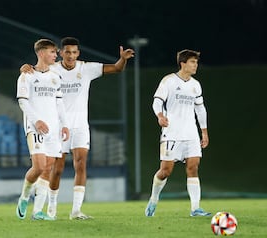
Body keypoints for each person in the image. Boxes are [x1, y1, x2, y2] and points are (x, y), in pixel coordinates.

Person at [20, 37, 134, 220]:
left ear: (78, 53)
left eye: (74, 52)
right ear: (60, 53)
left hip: (80, 125)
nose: (71, 56)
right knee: (55, 169)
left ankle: (76, 211)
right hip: (58, 125)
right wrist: (26, 67)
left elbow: (117, 68)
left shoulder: (86, 68)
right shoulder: (52, 69)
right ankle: (51, 209)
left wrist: (123, 59)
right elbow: (33, 72)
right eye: (67, 52)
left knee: (81, 164)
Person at [145, 49, 211, 217]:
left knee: (193, 168)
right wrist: (159, 115)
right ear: (183, 63)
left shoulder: (196, 85)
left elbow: (200, 109)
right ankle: (153, 199)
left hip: (191, 134)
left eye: (196, 62)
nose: (195, 65)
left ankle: (195, 208)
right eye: (192, 62)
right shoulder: (169, 81)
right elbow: (156, 102)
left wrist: (204, 132)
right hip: (172, 133)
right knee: (165, 171)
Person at [15, 38, 69, 221]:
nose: (56, 55)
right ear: (40, 53)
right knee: (38, 166)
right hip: (35, 128)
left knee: (47, 169)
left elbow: (59, 102)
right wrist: (37, 121)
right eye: (53, 52)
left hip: (53, 128)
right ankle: (24, 197)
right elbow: (22, 101)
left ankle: (37, 212)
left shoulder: (55, 77)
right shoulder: (27, 75)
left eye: (56, 52)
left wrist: (65, 124)